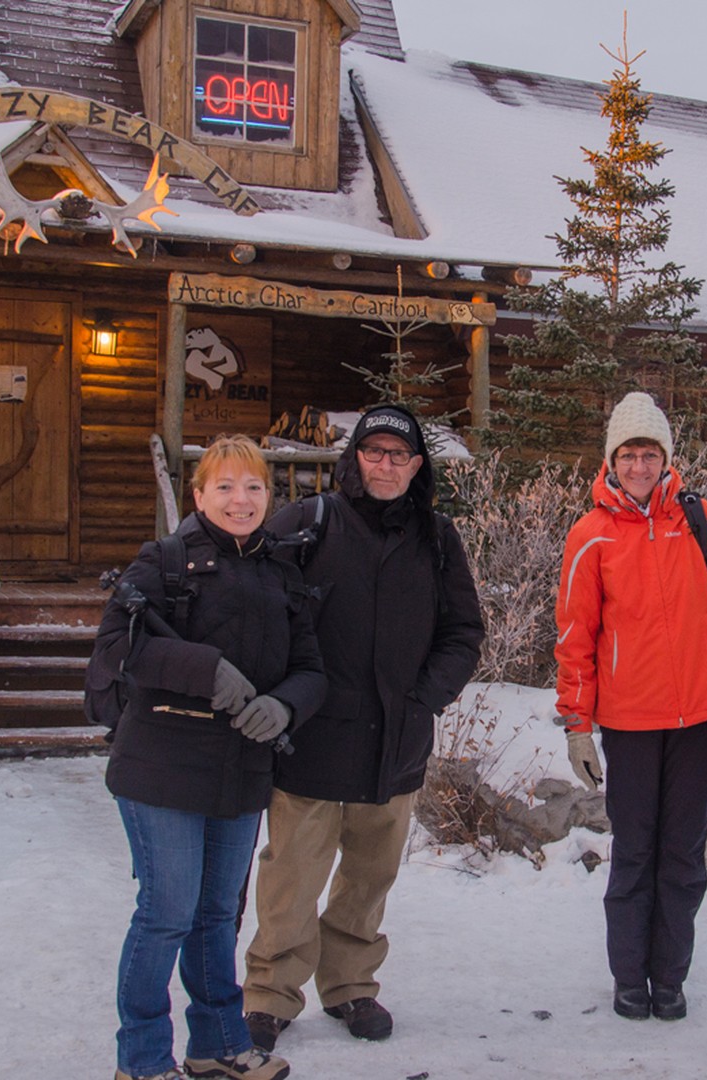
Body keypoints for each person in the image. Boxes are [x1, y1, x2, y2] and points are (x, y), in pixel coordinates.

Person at [242, 404, 485, 1050]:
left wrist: (425, 697)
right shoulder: (310, 523)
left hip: (395, 739)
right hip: (316, 734)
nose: (385, 464)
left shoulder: (437, 539)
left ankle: (350, 985)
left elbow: (464, 631)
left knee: (370, 875)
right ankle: (269, 994)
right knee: (293, 872)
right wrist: (285, 694)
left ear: (415, 466)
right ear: (355, 459)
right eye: (373, 452)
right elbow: (262, 608)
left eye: (397, 455)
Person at [94, 434, 326, 1080]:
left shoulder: (283, 573)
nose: (240, 499)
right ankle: (141, 1060)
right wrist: (207, 671)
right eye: (224, 486)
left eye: (253, 486)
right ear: (198, 496)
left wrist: (284, 706)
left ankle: (215, 1043)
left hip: (240, 770)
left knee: (216, 917)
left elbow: (311, 668)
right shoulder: (163, 562)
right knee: (167, 913)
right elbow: (118, 644)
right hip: (161, 767)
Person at [555, 391, 707, 1022]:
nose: (640, 467)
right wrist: (578, 724)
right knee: (635, 853)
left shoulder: (703, 522)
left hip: (702, 720)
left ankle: (670, 978)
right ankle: (629, 977)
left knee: (683, 855)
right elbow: (575, 637)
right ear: (611, 461)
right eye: (629, 455)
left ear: (666, 458)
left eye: (650, 454)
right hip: (630, 725)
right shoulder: (590, 536)